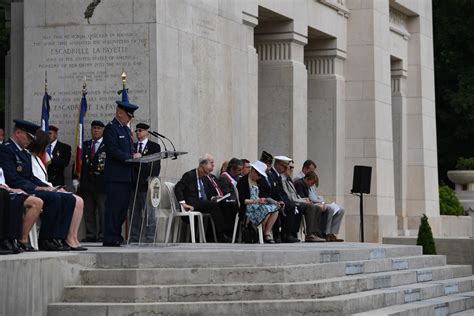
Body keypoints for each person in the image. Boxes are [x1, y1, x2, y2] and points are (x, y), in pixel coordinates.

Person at [0, 120, 75, 251]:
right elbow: (12, 178)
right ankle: (45, 239)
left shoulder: (24, 152)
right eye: (28, 137)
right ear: (18, 133)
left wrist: (47, 187)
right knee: (54, 198)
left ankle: (58, 237)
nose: (30, 141)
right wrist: (37, 188)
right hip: (17, 188)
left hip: (26, 187)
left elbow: (31, 176)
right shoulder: (7, 149)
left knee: (67, 198)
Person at [28, 129, 87, 250]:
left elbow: (42, 179)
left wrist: (53, 188)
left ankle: (67, 236)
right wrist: (50, 189)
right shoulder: (28, 158)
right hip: (34, 190)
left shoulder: (38, 159)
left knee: (76, 200)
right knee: (58, 198)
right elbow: (32, 179)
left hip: (45, 188)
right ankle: (49, 237)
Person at [102, 100, 141, 247]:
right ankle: (110, 237)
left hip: (126, 176)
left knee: (123, 208)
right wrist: (130, 157)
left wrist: (134, 154)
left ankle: (116, 235)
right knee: (113, 208)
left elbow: (127, 149)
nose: (130, 119)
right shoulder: (111, 129)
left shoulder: (125, 129)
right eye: (128, 116)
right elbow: (112, 150)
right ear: (119, 113)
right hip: (115, 177)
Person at [174, 154, 232, 242]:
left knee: (222, 203)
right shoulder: (190, 175)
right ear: (202, 165)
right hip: (192, 203)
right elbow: (178, 188)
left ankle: (222, 234)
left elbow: (206, 194)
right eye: (211, 163)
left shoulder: (204, 177)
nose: (213, 165)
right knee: (213, 205)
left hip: (202, 203)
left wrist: (213, 197)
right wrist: (182, 203)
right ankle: (220, 235)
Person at [129, 122, 161, 243]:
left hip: (147, 183)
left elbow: (156, 164)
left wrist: (152, 178)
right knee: (134, 212)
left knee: (149, 212)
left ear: (148, 132)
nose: (138, 133)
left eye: (141, 130)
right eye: (137, 131)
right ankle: (134, 237)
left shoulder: (154, 146)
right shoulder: (133, 146)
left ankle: (150, 237)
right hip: (134, 183)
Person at [0, 167, 43, 253]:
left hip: (6, 189)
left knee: (17, 199)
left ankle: (13, 239)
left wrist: (9, 189)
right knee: (4, 195)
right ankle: (4, 239)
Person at [77, 120, 107, 242]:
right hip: (87, 183)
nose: (95, 130)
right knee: (88, 211)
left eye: (98, 128)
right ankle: (91, 234)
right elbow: (79, 164)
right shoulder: (85, 145)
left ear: (103, 130)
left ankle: (103, 234)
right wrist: (76, 178)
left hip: (101, 183)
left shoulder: (107, 145)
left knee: (102, 211)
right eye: (94, 128)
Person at [236, 161, 279, 243]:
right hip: (248, 207)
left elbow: (263, 194)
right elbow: (242, 200)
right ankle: (261, 233)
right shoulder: (243, 181)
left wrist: (264, 200)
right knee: (266, 210)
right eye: (258, 175)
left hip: (258, 205)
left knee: (275, 209)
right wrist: (256, 201)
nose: (259, 177)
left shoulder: (259, 181)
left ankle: (266, 232)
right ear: (252, 171)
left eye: (260, 175)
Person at [282, 161, 325, 242]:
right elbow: (291, 197)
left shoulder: (290, 179)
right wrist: (305, 200)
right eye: (290, 168)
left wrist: (305, 200)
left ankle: (315, 232)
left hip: (297, 201)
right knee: (311, 207)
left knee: (318, 208)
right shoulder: (299, 183)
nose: (292, 170)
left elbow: (296, 195)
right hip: (292, 202)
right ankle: (309, 234)